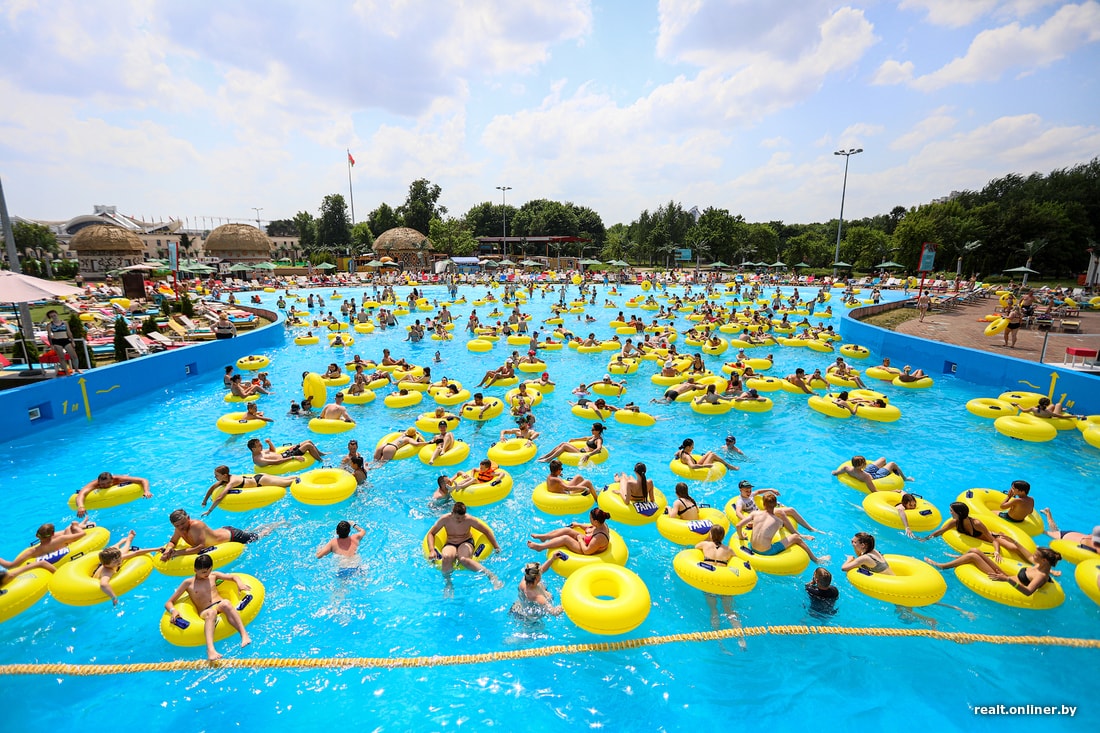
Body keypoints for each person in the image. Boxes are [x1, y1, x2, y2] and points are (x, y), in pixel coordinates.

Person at [164, 553, 252, 660]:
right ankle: (210, 650)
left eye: (209, 570)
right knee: (211, 612)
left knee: (226, 603)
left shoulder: (213, 576)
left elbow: (233, 576)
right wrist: (173, 611)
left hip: (219, 604)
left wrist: (240, 584)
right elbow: (169, 602)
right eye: (204, 572)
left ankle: (244, 635)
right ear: (195, 570)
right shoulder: (188, 583)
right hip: (205, 611)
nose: (207, 574)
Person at [926, 546, 1062, 598]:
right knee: (976, 550)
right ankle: (958, 558)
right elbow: (1027, 555)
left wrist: (1007, 579)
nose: (1034, 555)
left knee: (973, 557)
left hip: (1006, 582)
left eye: (1036, 555)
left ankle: (942, 566)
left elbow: (1028, 592)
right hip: (1008, 576)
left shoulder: (1041, 575)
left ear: (1044, 560)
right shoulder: (1039, 565)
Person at [425, 502, 503, 591]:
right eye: (458, 518)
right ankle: (448, 584)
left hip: (466, 542)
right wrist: (432, 550)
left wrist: (496, 546)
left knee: (463, 559)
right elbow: (431, 533)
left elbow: (486, 531)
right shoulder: (444, 519)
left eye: (462, 518)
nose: (460, 520)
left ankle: (491, 575)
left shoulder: (469, 519)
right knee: (446, 557)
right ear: (452, 513)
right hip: (451, 543)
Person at [735, 493, 829, 564]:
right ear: (776, 504)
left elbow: (738, 525)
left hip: (751, 547)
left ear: (763, 504)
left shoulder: (754, 514)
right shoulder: (778, 521)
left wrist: (741, 537)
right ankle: (816, 560)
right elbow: (780, 530)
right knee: (796, 537)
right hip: (766, 552)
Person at [160, 509, 279, 560]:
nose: (181, 527)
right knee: (250, 532)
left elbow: (200, 547)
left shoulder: (195, 525)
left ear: (188, 518)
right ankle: (259, 528)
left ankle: (277, 525)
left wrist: (176, 553)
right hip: (223, 531)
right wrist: (168, 550)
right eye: (177, 526)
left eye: (183, 523)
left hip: (233, 536)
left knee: (258, 536)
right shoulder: (179, 529)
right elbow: (173, 542)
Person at [92, 530, 158, 605]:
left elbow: (136, 553)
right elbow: (103, 584)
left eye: (119, 559)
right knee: (123, 552)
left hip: (109, 561)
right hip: (96, 575)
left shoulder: (115, 561)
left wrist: (156, 549)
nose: (119, 562)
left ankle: (127, 540)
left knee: (123, 553)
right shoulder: (107, 571)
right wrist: (113, 597)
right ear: (106, 564)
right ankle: (125, 541)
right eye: (116, 562)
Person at [201, 466, 298, 516]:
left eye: (217, 475)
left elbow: (220, 497)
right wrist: (205, 501)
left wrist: (209, 511)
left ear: (225, 475)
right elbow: (212, 488)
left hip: (261, 481)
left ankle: (302, 480)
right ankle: (301, 477)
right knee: (285, 479)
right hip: (258, 477)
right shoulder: (223, 480)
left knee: (288, 483)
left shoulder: (232, 481)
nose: (215, 477)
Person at [1, 520, 94, 568]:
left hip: (48, 556)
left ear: (37, 536)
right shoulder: (61, 539)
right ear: (52, 534)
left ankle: (82, 524)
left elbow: (10, 566)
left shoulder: (33, 552)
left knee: (67, 530)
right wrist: (75, 525)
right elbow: (82, 534)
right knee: (69, 528)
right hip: (65, 550)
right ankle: (81, 525)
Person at [527, 507, 612, 555]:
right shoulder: (601, 524)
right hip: (587, 541)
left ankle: (540, 547)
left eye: (590, 518)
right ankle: (545, 537)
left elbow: (587, 551)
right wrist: (578, 524)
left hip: (585, 549)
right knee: (567, 530)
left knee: (565, 539)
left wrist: (580, 539)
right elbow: (590, 527)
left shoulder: (599, 537)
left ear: (596, 521)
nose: (589, 519)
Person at [73, 471, 152, 519]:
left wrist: (146, 491)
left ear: (112, 480)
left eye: (107, 483)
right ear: (98, 482)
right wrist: (81, 506)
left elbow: (143, 480)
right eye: (102, 484)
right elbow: (81, 494)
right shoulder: (94, 484)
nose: (105, 486)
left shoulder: (118, 479)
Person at [831, 455, 914, 493]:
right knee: (892, 464)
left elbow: (835, 473)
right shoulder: (866, 477)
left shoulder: (846, 468)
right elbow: (874, 491)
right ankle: (905, 478)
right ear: (862, 465)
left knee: (883, 459)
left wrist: (834, 472)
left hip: (866, 470)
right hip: (875, 476)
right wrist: (893, 491)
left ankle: (886, 467)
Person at [537, 423, 606, 466]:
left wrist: (588, 455)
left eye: (593, 429)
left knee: (564, 446)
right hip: (581, 450)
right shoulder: (594, 436)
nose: (591, 430)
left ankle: (549, 459)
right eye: (591, 429)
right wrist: (575, 439)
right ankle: (547, 455)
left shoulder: (598, 440)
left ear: (598, 431)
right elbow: (586, 438)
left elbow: (598, 448)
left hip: (582, 453)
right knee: (563, 443)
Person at [44, 310, 82, 375]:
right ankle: (66, 371)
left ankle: (76, 369)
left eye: (54, 315)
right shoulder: (49, 325)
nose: (54, 317)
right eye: (52, 316)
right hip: (57, 341)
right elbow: (49, 335)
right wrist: (51, 345)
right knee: (61, 357)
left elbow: (69, 332)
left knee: (74, 356)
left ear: (57, 314)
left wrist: (72, 341)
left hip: (66, 340)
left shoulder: (64, 323)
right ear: (50, 317)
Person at [247, 438, 324, 467]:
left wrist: (269, 443)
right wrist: (293, 457)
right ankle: (321, 460)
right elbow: (276, 462)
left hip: (285, 453)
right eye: (259, 446)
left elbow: (273, 451)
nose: (262, 446)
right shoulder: (258, 459)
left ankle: (321, 454)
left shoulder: (261, 451)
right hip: (287, 457)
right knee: (308, 445)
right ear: (253, 449)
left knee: (308, 441)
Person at [674, 438, 739, 472]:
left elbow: (676, 454)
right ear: (687, 447)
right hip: (699, 466)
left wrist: (677, 458)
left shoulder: (681, 451)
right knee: (712, 455)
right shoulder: (687, 457)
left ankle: (728, 465)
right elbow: (692, 466)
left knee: (710, 452)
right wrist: (705, 466)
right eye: (692, 447)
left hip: (697, 462)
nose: (693, 448)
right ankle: (729, 466)